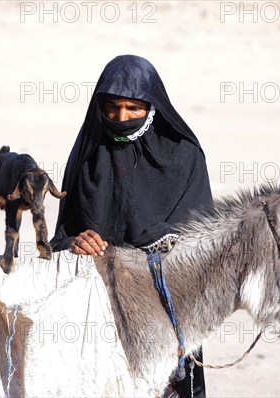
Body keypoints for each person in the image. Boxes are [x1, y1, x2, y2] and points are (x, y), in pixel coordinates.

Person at [51, 54, 212, 398]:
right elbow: (59, 239)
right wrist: (76, 243)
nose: (120, 118)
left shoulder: (185, 156)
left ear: (152, 107)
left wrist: (151, 244)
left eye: (132, 109)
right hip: (97, 311)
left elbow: (201, 249)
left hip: (166, 311)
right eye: (112, 108)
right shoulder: (88, 156)